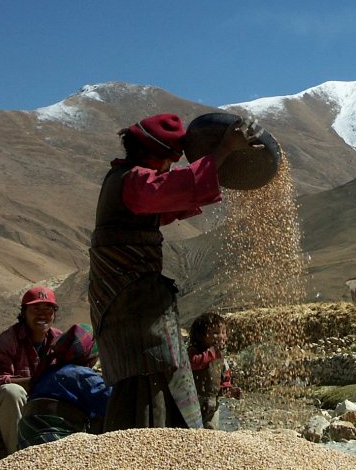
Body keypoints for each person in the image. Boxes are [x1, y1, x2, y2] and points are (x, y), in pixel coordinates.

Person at [89, 112, 260, 431]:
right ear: (157, 157)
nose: (172, 167)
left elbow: (173, 198)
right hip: (131, 301)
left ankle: (157, 437)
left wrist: (211, 169)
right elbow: (176, 187)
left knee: (152, 368)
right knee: (152, 367)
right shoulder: (134, 182)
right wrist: (222, 151)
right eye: (171, 161)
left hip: (126, 299)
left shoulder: (125, 182)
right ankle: (152, 441)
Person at [0, 285, 62, 459]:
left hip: (39, 410)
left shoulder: (60, 341)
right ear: (24, 313)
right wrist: (33, 382)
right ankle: (19, 459)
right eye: (36, 309)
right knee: (12, 392)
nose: (42, 314)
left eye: (48, 309)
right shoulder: (7, 341)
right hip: (0, 414)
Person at [17, 323, 112, 449]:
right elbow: (112, 400)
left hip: (25, 440)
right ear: (92, 355)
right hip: (54, 440)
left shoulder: (47, 371)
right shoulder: (80, 375)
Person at [187, 312, 241, 430]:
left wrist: (230, 390)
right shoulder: (194, 351)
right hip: (194, 400)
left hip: (212, 402)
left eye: (223, 332)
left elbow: (224, 376)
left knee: (211, 429)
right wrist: (212, 352)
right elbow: (195, 364)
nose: (221, 336)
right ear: (200, 336)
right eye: (215, 333)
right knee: (191, 429)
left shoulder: (220, 356)